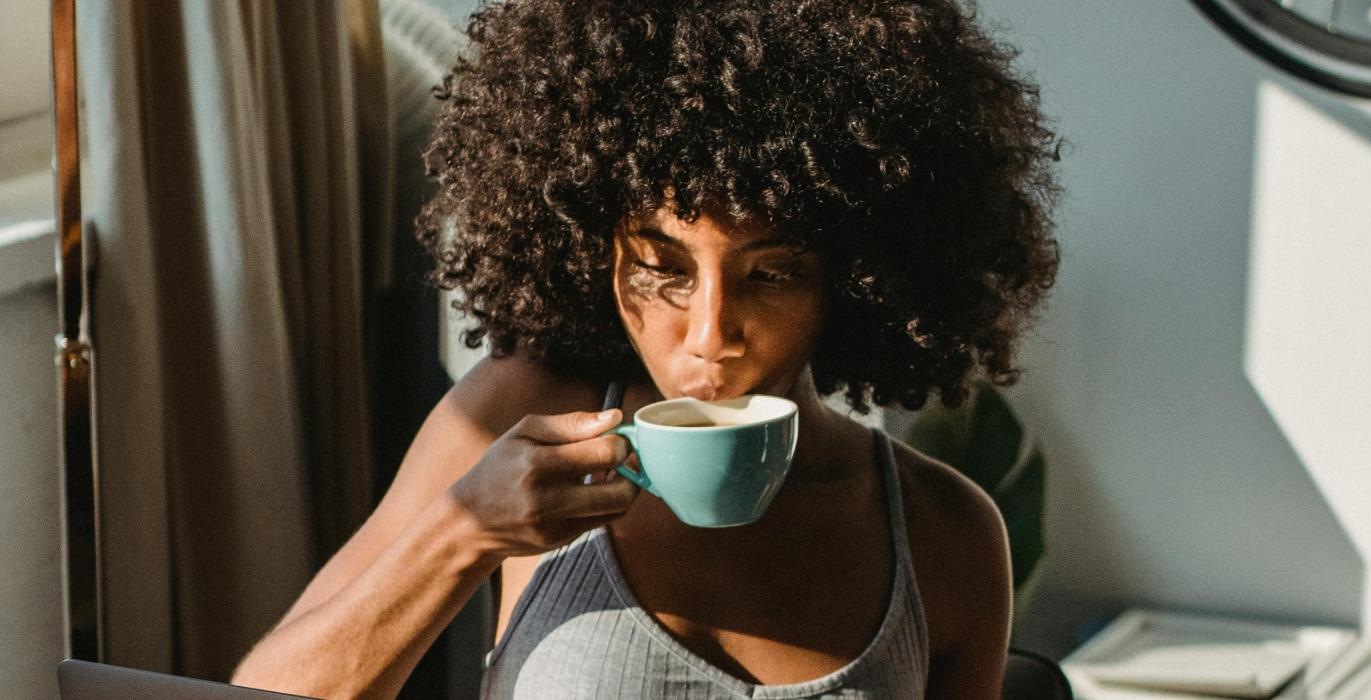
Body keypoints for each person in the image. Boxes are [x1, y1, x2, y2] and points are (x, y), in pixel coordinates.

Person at [231, 0, 1059, 697]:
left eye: (771, 274)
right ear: (593, 250)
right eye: (663, 270)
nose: (709, 337)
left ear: (860, 275)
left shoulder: (942, 534)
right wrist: (464, 534)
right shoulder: (522, 414)